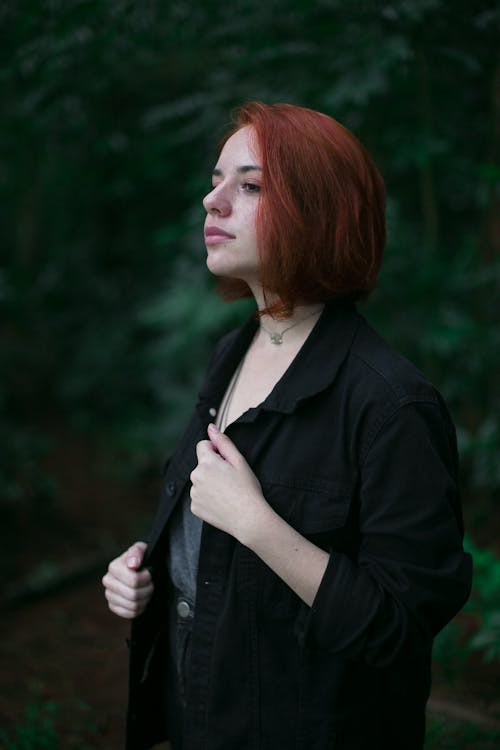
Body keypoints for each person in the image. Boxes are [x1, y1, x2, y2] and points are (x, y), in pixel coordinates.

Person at [102, 102, 472, 750]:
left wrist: (256, 523)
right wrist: (153, 575)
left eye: (249, 185)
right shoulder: (233, 353)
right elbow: (212, 541)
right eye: (216, 180)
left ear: (319, 210)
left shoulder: (392, 406)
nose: (211, 201)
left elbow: (397, 631)